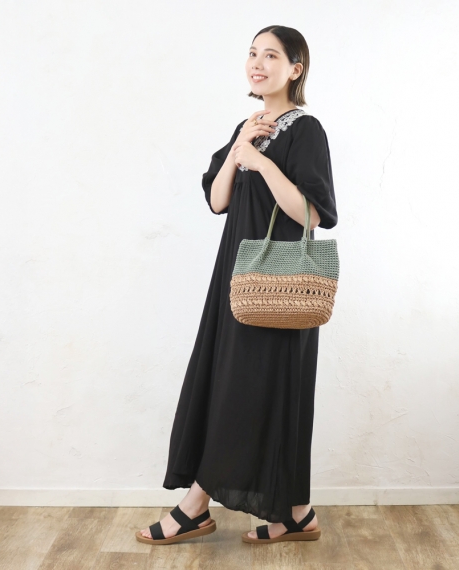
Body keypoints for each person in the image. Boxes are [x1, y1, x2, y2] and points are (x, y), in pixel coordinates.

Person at [136, 24, 338, 546]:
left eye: (271, 55)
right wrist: (239, 148)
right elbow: (217, 200)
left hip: (280, 284)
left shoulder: (306, 130)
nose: (257, 63)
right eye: (252, 53)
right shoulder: (247, 126)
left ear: (295, 68)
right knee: (236, 385)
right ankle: (297, 514)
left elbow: (311, 213)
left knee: (248, 391)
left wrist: (262, 162)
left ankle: (194, 506)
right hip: (238, 278)